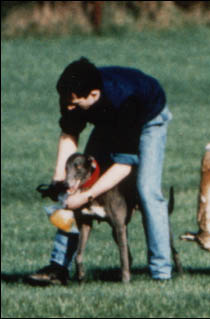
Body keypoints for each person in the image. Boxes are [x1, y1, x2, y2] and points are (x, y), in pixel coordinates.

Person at [26, 57, 173, 285]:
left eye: (74, 104)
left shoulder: (125, 100)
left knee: (147, 190)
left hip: (146, 118)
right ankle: (58, 268)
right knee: (74, 189)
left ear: (93, 95)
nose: (69, 108)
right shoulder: (73, 93)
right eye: (66, 102)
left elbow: (124, 165)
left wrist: (86, 196)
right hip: (107, 119)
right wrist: (60, 179)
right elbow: (69, 134)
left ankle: (161, 273)